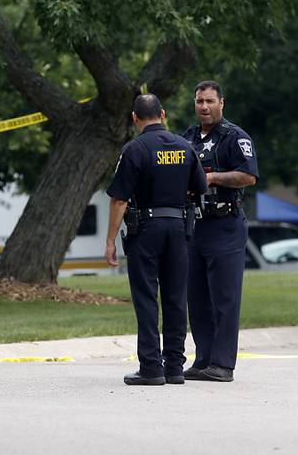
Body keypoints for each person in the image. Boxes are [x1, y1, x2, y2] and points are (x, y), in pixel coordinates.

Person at [105, 93, 207, 386]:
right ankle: (174, 366)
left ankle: (151, 367)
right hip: (178, 228)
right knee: (176, 297)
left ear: (135, 118)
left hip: (146, 230)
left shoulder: (135, 149)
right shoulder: (185, 146)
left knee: (147, 298)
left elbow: (119, 200)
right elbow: (198, 187)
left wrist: (111, 240)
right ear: (162, 114)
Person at [182, 80, 259, 382]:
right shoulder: (187, 137)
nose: (204, 106)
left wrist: (211, 178)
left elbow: (248, 176)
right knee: (197, 297)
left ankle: (223, 364)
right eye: (200, 101)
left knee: (224, 298)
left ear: (221, 103)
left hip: (225, 225)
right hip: (195, 225)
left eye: (210, 101)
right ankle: (203, 360)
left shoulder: (234, 137)